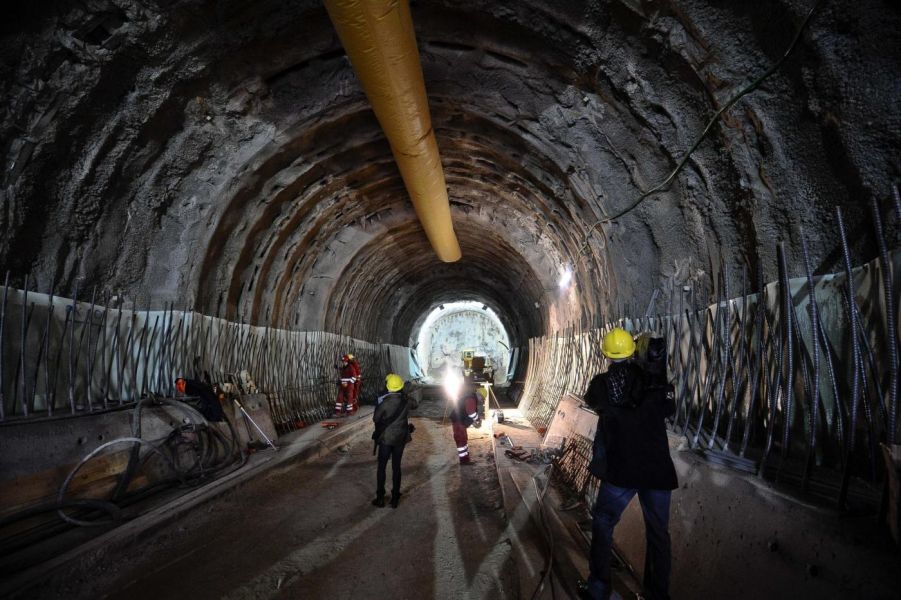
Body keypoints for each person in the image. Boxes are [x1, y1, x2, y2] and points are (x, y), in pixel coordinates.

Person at [579, 328, 677, 600]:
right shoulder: (654, 384)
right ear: (635, 351)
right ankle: (657, 595)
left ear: (606, 354)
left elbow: (593, 401)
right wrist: (656, 375)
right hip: (657, 471)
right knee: (658, 536)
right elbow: (669, 409)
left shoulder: (601, 385)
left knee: (602, 523)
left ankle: (598, 589)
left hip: (621, 472)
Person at [372, 373, 413, 508]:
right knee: (396, 467)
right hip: (400, 438)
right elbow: (415, 404)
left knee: (382, 467)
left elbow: (376, 419)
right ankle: (395, 498)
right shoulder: (405, 401)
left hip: (385, 439)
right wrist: (405, 395)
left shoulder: (384, 403)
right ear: (400, 387)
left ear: (388, 387)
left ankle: (380, 498)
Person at [449, 387, 481, 464]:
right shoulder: (471, 399)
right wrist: (477, 420)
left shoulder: (471, 398)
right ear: (479, 395)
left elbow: (468, 413)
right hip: (458, 421)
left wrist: (474, 421)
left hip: (460, 421)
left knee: (464, 439)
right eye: (482, 398)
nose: (482, 400)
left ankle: (466, 457)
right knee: (461, 440)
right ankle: (464, 461)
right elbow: (471, 413)